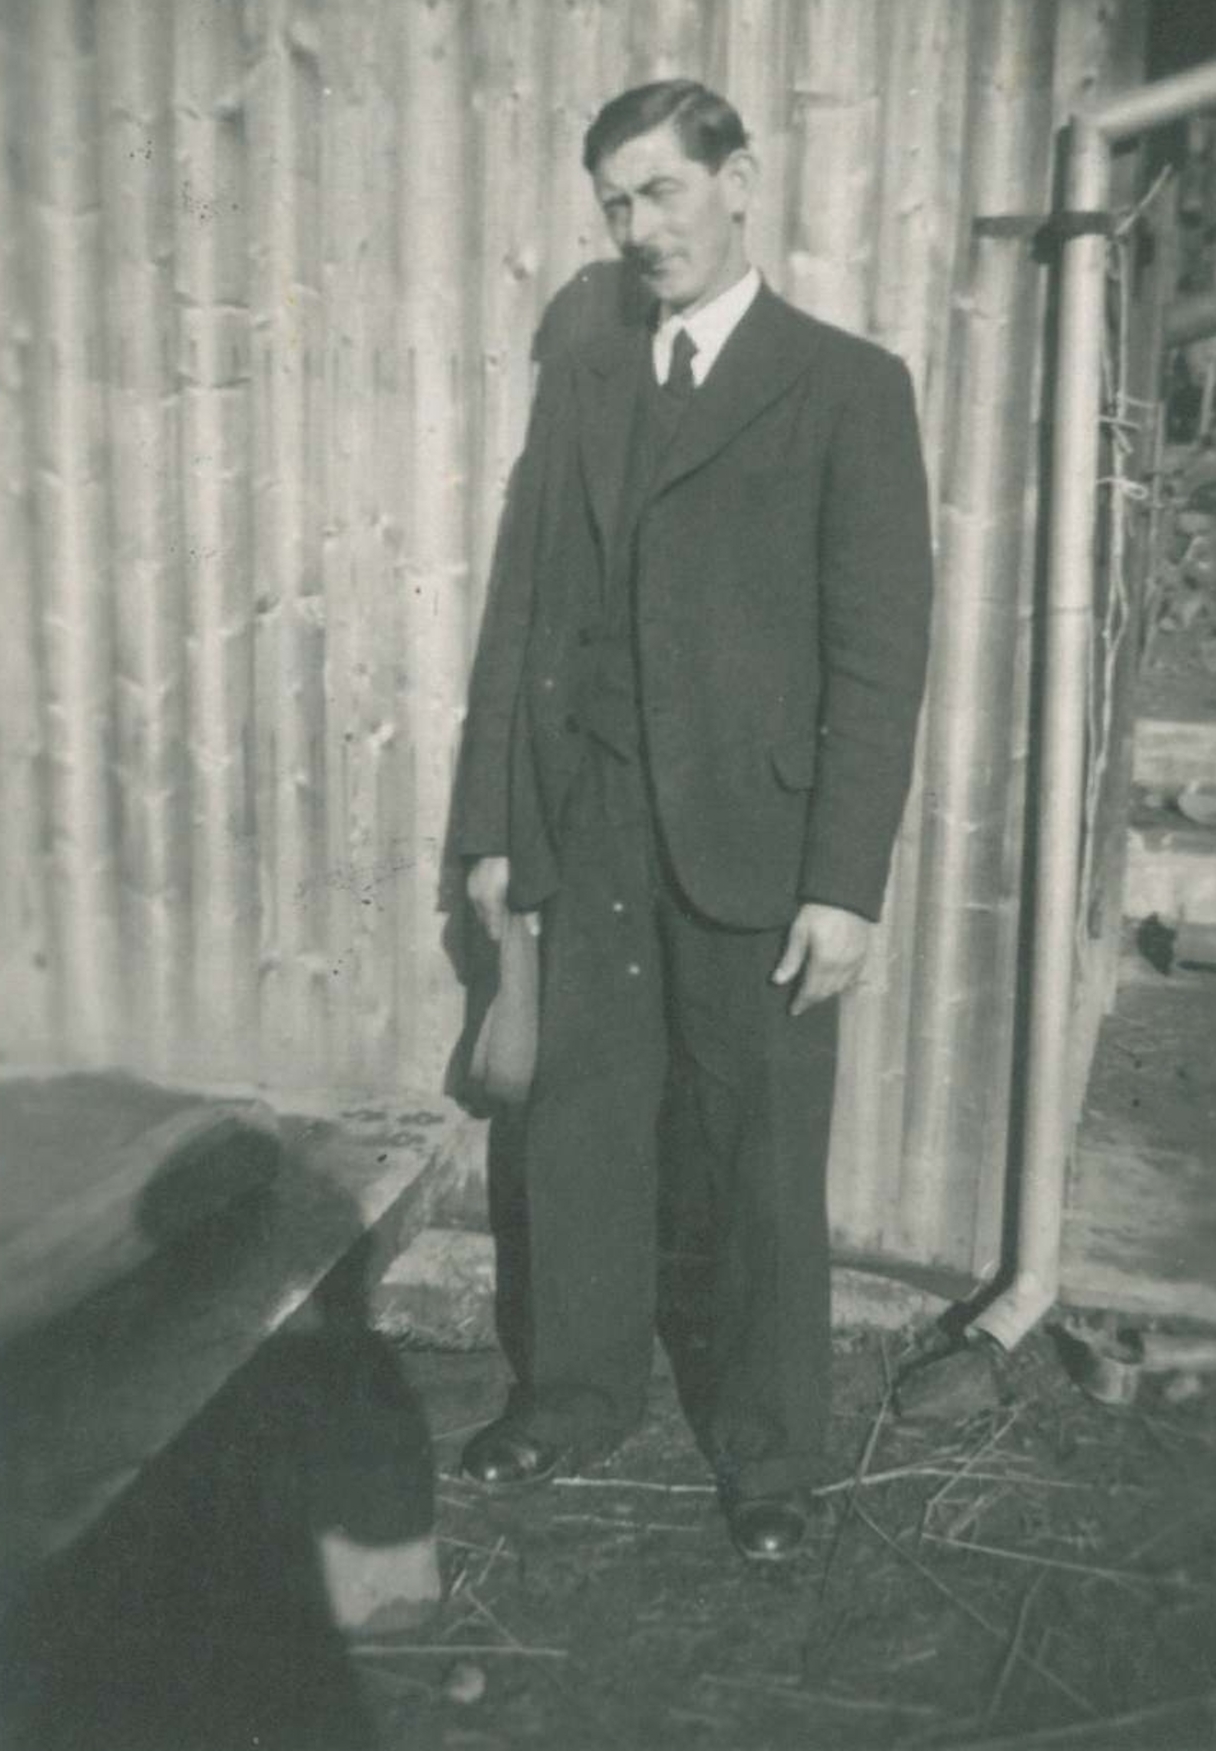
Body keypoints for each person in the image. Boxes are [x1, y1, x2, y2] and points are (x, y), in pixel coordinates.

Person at [451, 79, 932, 1562]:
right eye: (614, 202)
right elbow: (523, 612)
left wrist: (844, 883)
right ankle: (576, 1395)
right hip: (594, 825)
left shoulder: (846, 386)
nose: (637, 227)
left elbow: (879, 654)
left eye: (661, 190)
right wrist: (497, 829)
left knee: (760, 1154)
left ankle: (770, 1452)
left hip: (757, 851)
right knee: (583, 1128)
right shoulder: (590, 382)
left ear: (740, 181)